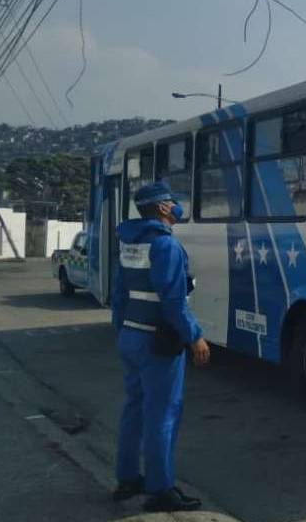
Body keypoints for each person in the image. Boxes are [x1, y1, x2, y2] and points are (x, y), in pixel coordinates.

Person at [111, 181, 210, 512]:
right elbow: (173, 300)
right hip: (158, 341)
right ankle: (161, 489)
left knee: (134, 409)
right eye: (172, 201)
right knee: (163, 414)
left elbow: (120, 295)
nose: (176, 205)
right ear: (163, 208)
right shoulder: (165, 245)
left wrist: (122, 332)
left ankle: (127, 479)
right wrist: (194, 335)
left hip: (131, 335)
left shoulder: (128, 242)